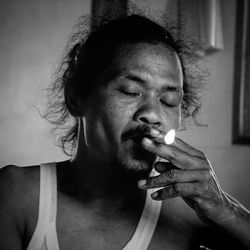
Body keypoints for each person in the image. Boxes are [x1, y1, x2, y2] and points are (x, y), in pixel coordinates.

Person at [0, 14, 250, 250]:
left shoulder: (191, 216)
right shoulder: (17, 196)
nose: (152, 114)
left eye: (169, 101)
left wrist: (226, 210)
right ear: (76, 97)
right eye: (131, 91)